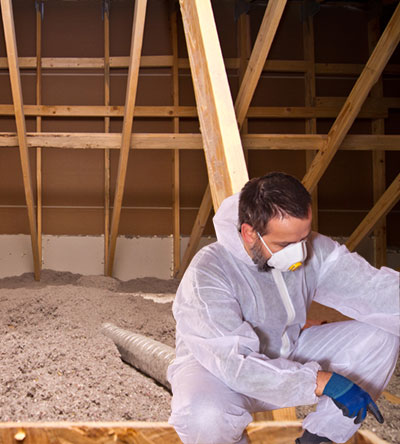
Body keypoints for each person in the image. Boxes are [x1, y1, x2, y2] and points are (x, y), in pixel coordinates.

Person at [167, 172, 399, 444]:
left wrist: (314, 378)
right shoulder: (210, 270)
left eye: (303, 238)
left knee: (381, 337)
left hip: (288, 350)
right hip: (217, 371)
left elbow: (376, 290)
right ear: (249, 233)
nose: (300, 252)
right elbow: (233, 363)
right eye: (285, 244)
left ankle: (317, 439)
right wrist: (321, 381)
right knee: (204, 416)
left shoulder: (312, 249)